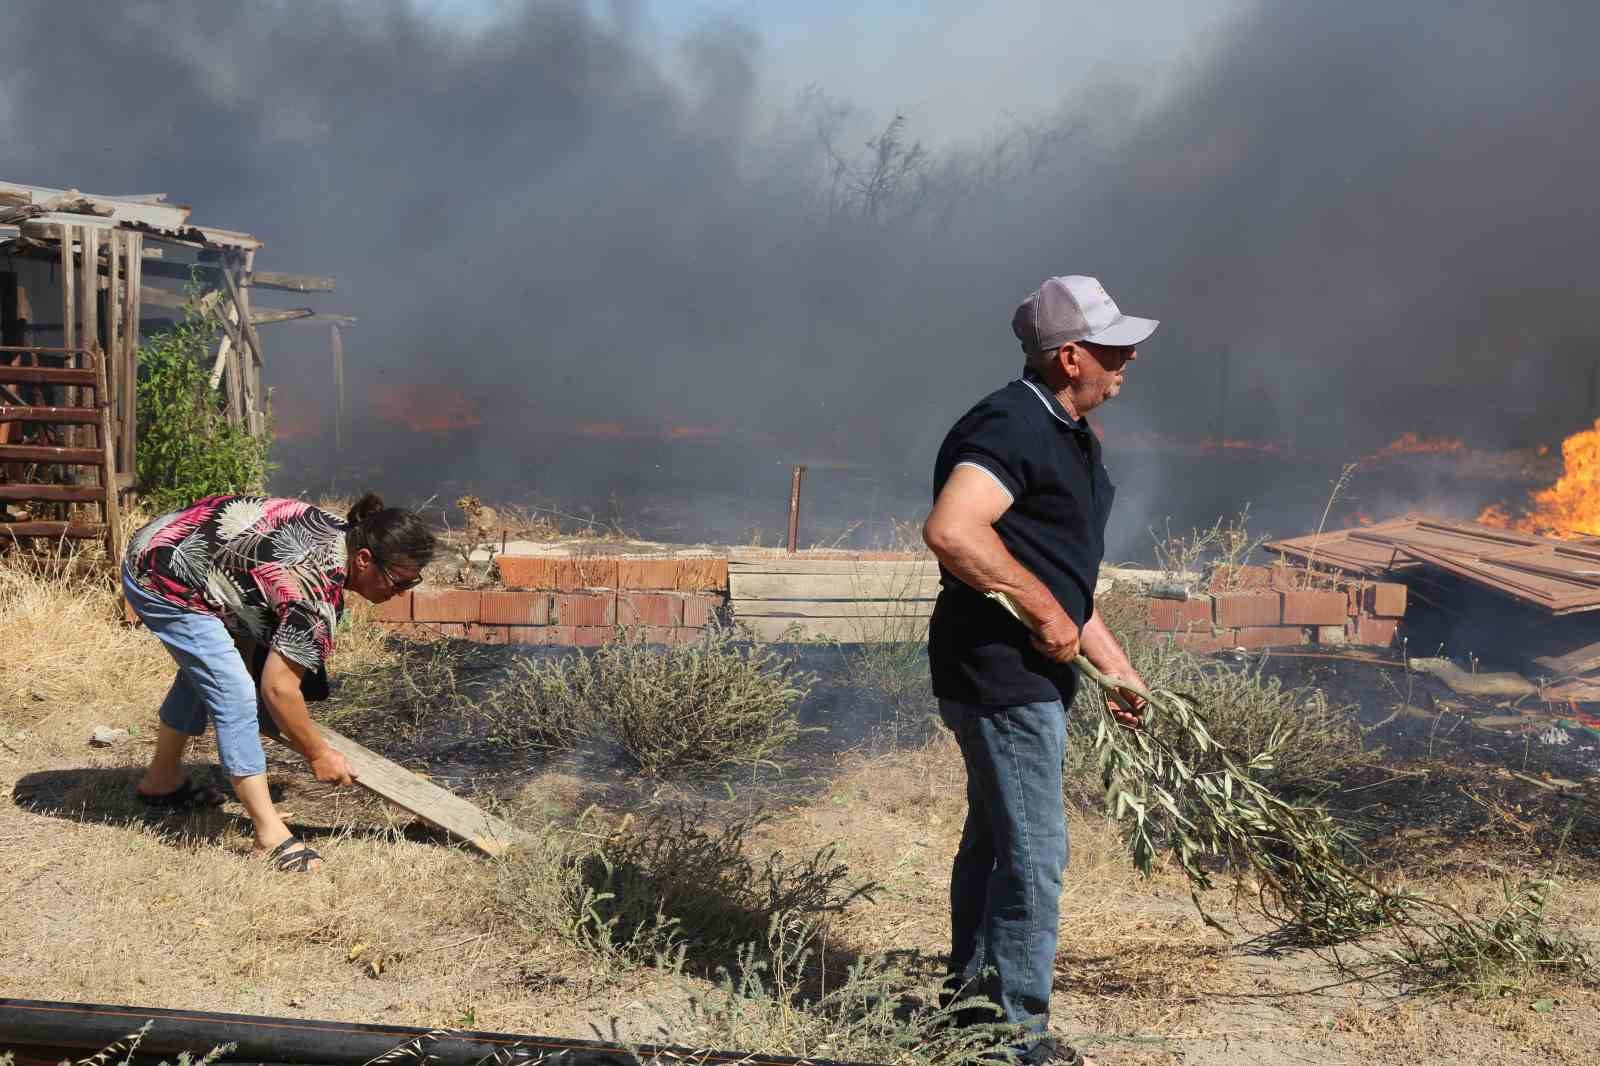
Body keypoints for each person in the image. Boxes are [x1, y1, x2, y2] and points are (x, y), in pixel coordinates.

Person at [921, 275, 1156, 1065]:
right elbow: (954, 531)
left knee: (995, 841)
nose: (1127, 360)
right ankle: (1013, 1039)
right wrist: (1046, 616)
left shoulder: (1067, 432)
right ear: (1069, 357)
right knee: (1034, 851)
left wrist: (1115, 666)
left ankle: (968, 1010)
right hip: (998, 673)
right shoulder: (1011, 423)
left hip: (1025, 674)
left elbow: (1057, 572)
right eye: (1114, 348)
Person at [121, 492, 435, 872]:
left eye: (411, 583)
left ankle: (162, 779)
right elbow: (278, 688)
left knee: (216, 670)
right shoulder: (315, 591)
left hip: (180, 552)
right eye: (398, 581)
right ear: (364, 559)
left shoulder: (346, 535)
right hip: (161, 574)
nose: (400, 593)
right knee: (234, 691)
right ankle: (269, 836)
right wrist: (317, 753)